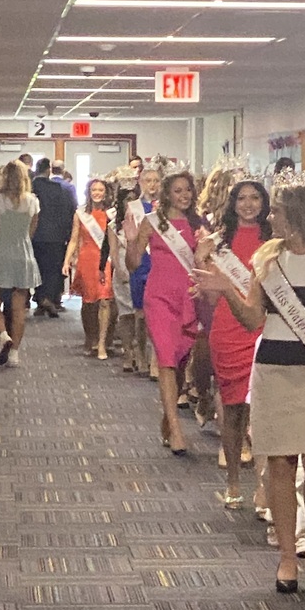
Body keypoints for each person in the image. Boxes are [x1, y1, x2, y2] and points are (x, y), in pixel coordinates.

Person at [196, 181, 305, 593]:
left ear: (299, 215)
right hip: (273, 369)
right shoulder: (267, 257)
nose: (270, 217)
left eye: (278, 211)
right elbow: (253, 319)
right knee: (281, 465)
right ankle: (288, 555)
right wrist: (224, 293)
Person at [201, 180, 271, 506]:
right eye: (241, 199)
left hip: (261, 326)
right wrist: (202, 260)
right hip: (227, 328)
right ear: (232, 203)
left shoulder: (274, 241)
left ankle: (262, 483)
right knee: (232, 408)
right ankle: (232, 482)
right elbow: (212, 291)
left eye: (254, 198)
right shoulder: (218, 243)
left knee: (259, 409)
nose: (248, 204)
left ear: (264, 201)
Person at [125, 171, 204, 454]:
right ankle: (177, 428)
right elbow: (133, 264)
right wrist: (132, 240)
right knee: (167, 360)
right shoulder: (153, 222)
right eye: (178, 191)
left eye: (188, 191)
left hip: (189, 299)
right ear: (167, 194)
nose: (183, 196)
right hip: (159, 298)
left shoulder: (200, 224)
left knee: (182, 361)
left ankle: (167, 419)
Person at [0, 160, 41, 367]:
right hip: (23, 253)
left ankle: (3, 334)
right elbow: (31, 230)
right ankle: (15, 352)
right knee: (19, 307)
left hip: (1, 252)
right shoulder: (32, 201)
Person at [63, 179, 114, 359]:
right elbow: (75, 239)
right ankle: (90, 336)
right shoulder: (81, 213)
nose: (97, 193)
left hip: (105, 260)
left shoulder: (112, 213)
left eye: (100, 190)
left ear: (106, 192)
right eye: (94, 189)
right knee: (89, 303)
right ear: (88, 191)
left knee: (105, 299)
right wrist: (67, 261)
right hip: (87, 259)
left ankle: (102, 344)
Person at [100, 176, 141, 371]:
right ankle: (127, 352)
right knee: (126, 315)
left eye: (134, 199)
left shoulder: (145, 222)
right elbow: (113, 252)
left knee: (141, 316)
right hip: (123, 272)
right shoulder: (113, 226)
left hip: (141, 270)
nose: (130, 203)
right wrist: (120, 271)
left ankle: (140, 352)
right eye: (127, 199)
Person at [126, 166, 162, 377]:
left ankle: (155, 358)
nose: (152, 184)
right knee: (140, 315)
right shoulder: (133, 207)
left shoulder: (166, 207)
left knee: (156, 314)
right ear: (140, 183)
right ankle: (140, 352)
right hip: (141, 263)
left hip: (159, 263)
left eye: (156, 180)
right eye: (148, 180)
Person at [32, 157, 75, 316]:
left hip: (35, 234)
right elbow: (69, 210)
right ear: (48, 170)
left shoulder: (31, 187)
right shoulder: (59, 188)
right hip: (56, 235)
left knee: (38, 268)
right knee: (53, 269)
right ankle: (48, 298)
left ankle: (41, 299)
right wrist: (69, 233)